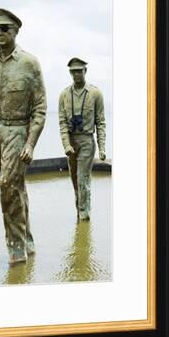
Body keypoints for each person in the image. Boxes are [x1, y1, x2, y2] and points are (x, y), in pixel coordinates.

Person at [0, 8, 47, 264]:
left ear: (16, 31)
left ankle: (16, 251)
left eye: (4, 28)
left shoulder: (30, 63)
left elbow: (40, 108)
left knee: (7, 187)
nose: (0, 33)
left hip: (19, 131)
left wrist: (30, 143)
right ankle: (28, 241)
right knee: (15, 188)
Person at [58, 58, 106, 221]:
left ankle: (84, 216)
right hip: (71, 142)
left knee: (83, 178)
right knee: (75, 180)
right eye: (73, 71)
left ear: (85, 71)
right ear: (70, 73)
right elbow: (62, 123)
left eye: (79, 70)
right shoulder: (64, 95)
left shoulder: (95, 93)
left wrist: (102, 148)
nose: (76, 74)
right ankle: (80, 213)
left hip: (86, 140)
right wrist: (66, 145)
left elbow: (100, 122)